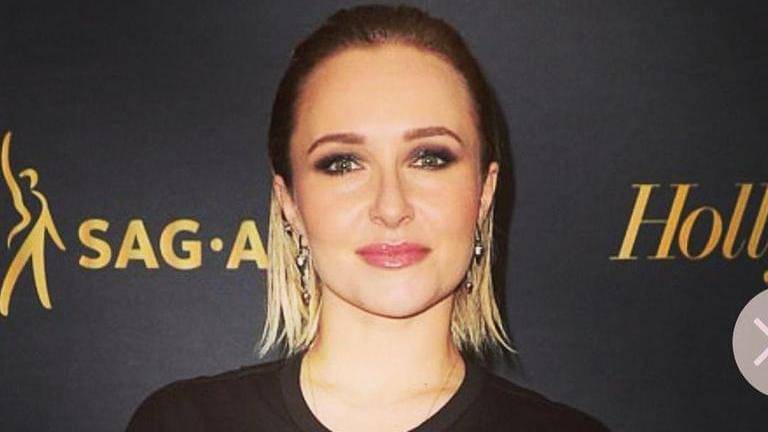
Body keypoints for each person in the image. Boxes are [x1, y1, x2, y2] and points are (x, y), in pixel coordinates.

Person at [126, 4, 609, 431]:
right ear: (289, 201)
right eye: (343, 163)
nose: (391, 207)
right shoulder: (183, 423)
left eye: (429, 158)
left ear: (484, 192)